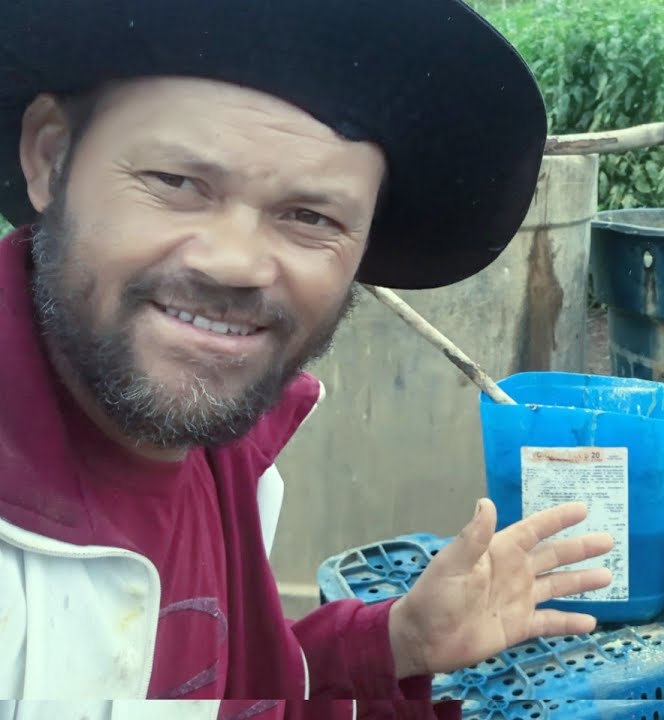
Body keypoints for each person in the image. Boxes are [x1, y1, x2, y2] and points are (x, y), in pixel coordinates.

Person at [0, 1, 616, 718]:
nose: (234, 264)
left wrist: (394, 645)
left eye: (311, 217)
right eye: (176, 182)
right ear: (50, 157)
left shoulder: (221, 451)